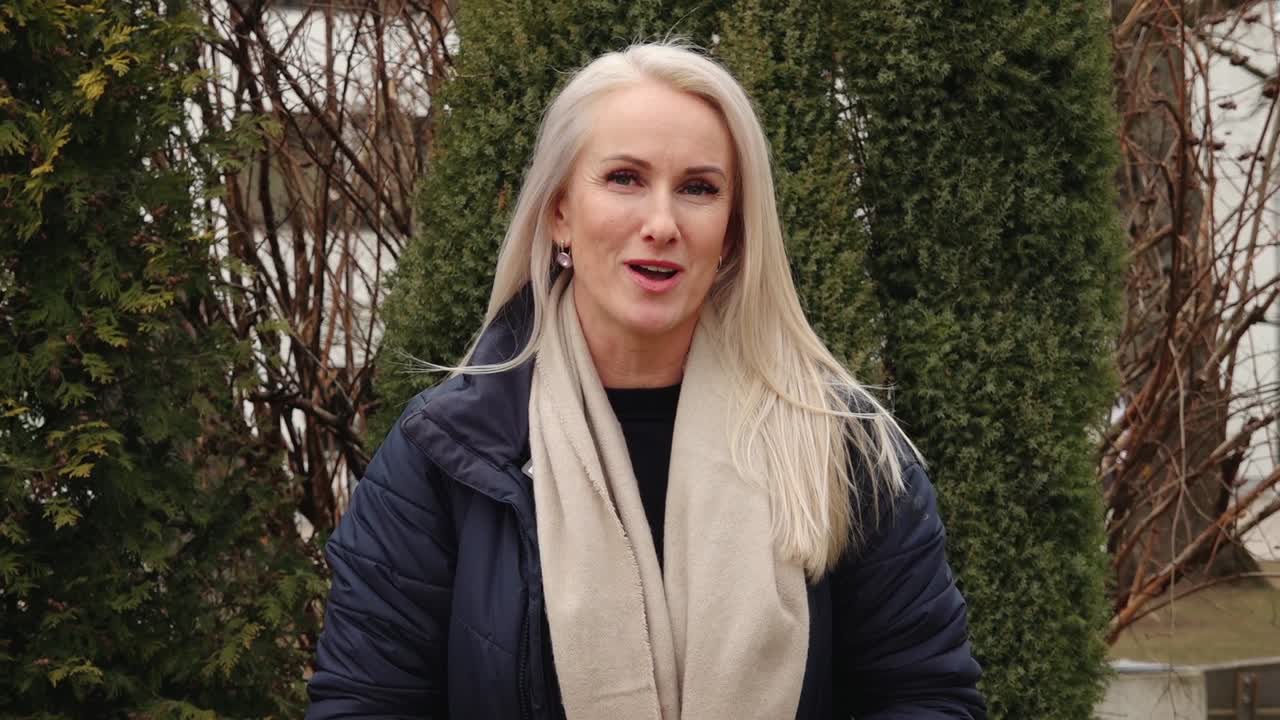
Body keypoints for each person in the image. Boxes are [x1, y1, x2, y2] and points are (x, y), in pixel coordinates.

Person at [306, 41, 985, 720]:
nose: (661, 224)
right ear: (561, 211)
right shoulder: (445, 458)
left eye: (699, 188)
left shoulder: (842, 450)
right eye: (625, 178)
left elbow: (924, 696)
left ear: (733, 230)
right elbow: (364, 704)